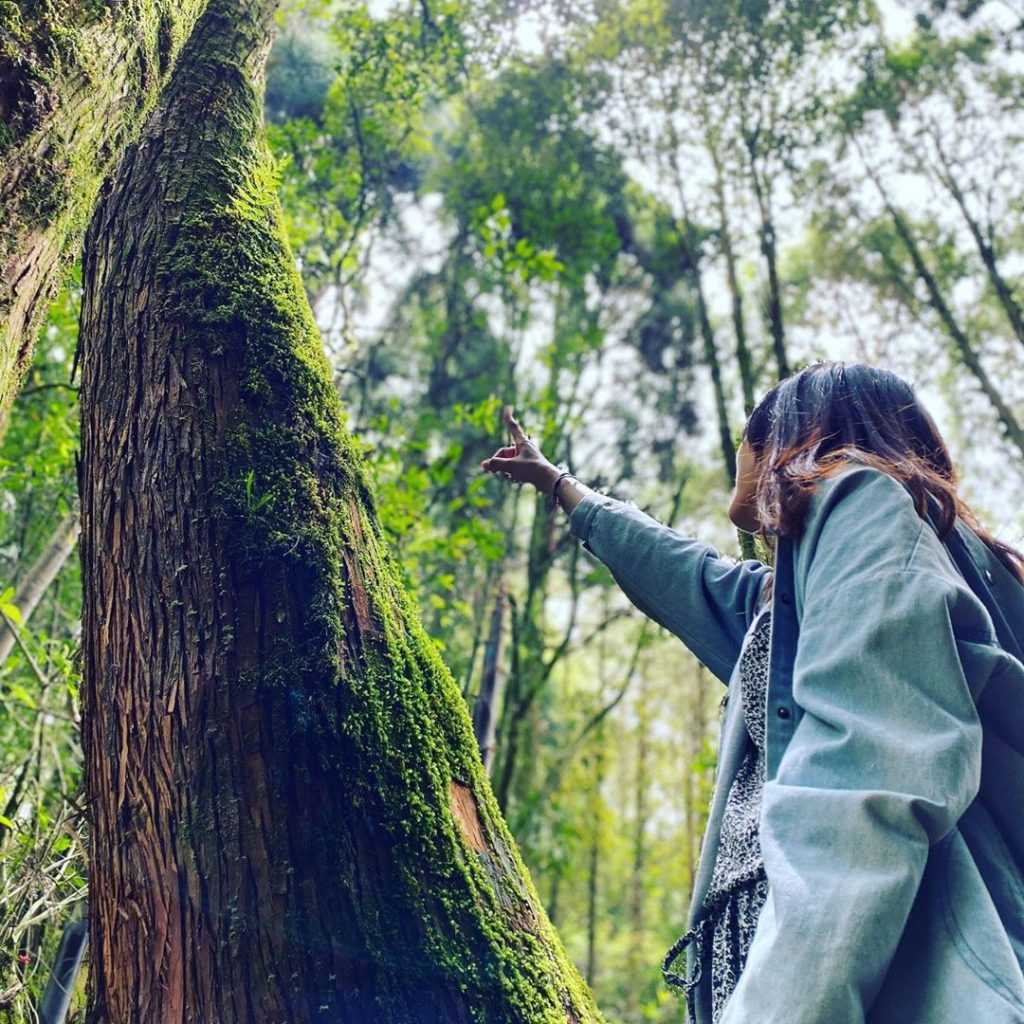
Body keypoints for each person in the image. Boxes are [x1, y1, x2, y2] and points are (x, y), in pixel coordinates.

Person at [479, 360, 1024, 1024]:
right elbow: (686, 573)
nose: (760, 532)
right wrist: (560, 484)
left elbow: (863, 786)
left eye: (764, 514)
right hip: (836, 954)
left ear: (804, 439)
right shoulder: (816, 591)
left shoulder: (862, 505)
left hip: (860, 962)